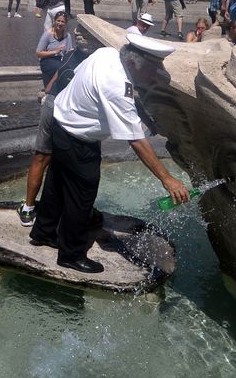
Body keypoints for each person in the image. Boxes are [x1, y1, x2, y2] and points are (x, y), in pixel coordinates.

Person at [28, 36, 190, 273]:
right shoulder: (117, 86)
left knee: (57, 184)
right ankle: (70, 254)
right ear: (134, 64)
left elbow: (79, 74)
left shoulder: (107, 54)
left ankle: (43, 231)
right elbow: (135, 139)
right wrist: (167, 178)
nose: (156, 75)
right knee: (81, 196)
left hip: (61, 123)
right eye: (154, 70)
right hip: (79, 140)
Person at [36, 12, 74, 89]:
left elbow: (69, 51)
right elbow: (38, 53)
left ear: (65, 23)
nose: (60, 23)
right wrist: (55, 51)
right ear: (54, 21)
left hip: (61, 61)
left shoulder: (68, 36)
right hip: (48, 60)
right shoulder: (48, 34)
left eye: (62, 22)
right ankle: (50, 89)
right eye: (58, 21)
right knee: (59, 68)